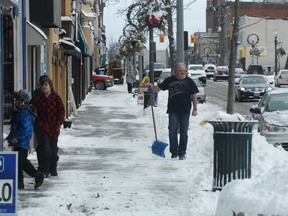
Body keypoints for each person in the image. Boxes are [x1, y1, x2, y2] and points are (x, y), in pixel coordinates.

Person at [150, 63, 199, 160]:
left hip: (185, 110)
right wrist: (151, 86)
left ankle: (182, 153)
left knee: (184, 132)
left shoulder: (189, 82)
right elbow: (158, 89)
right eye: (181, 71)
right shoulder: (170, 80)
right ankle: (174, 152)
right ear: (176, 71)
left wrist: (195, 109)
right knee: (172, 131)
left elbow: (194, 95)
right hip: (173, 110)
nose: (183, 72)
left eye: (184, 71)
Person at [6, 90, 44, 189]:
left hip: (21, 143)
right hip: (19, 142)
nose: (15, 101)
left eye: (17, 99)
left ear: (23, 101)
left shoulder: (24, 113)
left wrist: (16, 138)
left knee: (19, 163)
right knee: (22, 162)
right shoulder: (19, 112)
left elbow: (26, 129)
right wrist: (10, 138)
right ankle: (36, 176)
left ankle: (20, 182)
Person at [34, 78, 65, 178]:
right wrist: (39, 124)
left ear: (50, 86)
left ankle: (53, 169)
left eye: (46, 85)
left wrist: (59, 121)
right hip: (44, 128)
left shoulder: (56, 98)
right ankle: (46, 170)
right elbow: (37, 113)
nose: (43, 87)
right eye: (42, 85)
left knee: (54, 149)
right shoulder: (39, 100)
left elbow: (61, 110)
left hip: (54, 127)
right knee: (46, 149)